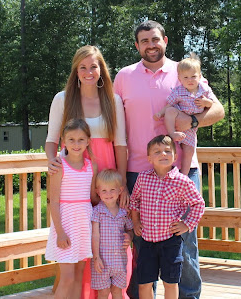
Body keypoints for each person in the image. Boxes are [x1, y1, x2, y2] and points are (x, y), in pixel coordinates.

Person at [114, 20, 224, 299]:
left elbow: (218, 110)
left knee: (184, 239)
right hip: (138, 171)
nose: (150, 45)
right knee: (141, 240)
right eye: (144, 41)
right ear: (137, 45)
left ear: (165, 40)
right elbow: (116, 126)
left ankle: (188, 296)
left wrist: (192, 121)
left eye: (155, 39)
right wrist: (119, 174)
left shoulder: (184, 71)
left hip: (182, 170)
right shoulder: (124, 76)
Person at [46, 45, 130, 298]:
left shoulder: (113, 100)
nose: (88, 71)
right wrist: (53, 163)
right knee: (82, 233)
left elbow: (121, 144)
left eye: (93, 66)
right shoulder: (62, 99)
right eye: (82, 67)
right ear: (75, 71)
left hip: (107, 173)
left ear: (101, 69)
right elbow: (51, 140)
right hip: (76, 174)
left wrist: (123, 184)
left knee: (109, 232)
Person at [129, 135, 205, 299]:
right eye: (157, 151)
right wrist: (135, 221)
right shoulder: (143, 178)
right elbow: (134, 201)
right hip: (147, 241)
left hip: (170, 242)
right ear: (149, 158)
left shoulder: (182, 181)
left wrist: (187, 224)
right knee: (144, 283)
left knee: (170, 282)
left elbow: (198, 203)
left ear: (175, 156)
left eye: (167, 151)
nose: (163, 154)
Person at [45, 118, 98, 299]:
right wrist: (60, 232)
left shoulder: (91, 166)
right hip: (65, 226)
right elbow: (54, 201)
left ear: (88, 141)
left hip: (83, 226)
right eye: (72, 140)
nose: (76, 144)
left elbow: (92, 198)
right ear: (64, 141)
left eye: (81, 139)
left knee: (78, 276)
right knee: (67, 278)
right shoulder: (59, 166)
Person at [154, 54, 216, 175]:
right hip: (179, 114)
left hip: (191, 127)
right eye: (186, 77)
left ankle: (184, 176)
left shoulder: (204, 89)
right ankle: (172, 133)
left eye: (193, 76)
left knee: (189, 151)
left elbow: (212, 105)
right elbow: (169, 104)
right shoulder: (178, 91)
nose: (190, 80)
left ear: (199, 76)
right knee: (170, 111)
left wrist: (206, 102)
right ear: (180, 78)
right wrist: (160, 113)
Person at [92, 169, 134, 299]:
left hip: (119, 261)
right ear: (98, 192)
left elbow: (130, 229)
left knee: (117, 291)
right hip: (101, 261)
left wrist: (129, 237)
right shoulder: (97, 211)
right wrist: (96, 257)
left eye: (112, 190)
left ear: (120, 190)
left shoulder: (124, 212)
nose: (108, 194)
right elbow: (95, 235)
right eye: (104, 190)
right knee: (103, 292)